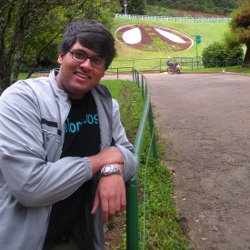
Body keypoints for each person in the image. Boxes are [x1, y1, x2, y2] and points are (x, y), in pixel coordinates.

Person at [0, 20, 137, 250]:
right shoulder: (21, 100)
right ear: (61, 56)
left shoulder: (106, 105)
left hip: (76, 237)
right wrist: (101, 160)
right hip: (22, 240)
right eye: (79, 54)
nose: (86, 65)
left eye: (97, 60)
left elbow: (128, 156)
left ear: (103, 70)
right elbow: (31, 187)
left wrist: (113, 170)